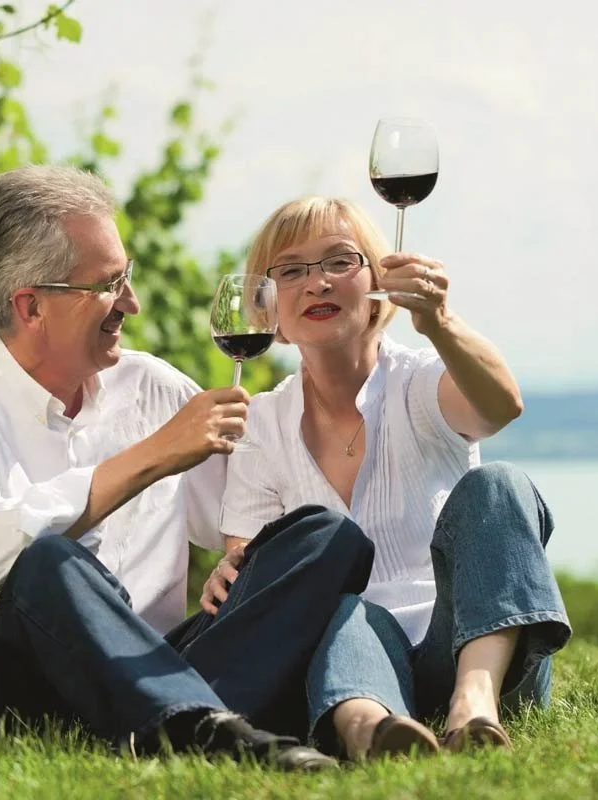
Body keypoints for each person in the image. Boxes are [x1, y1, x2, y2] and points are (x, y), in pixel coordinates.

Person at [0, 167, 375, 771]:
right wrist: (152, 457)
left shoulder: (150, 385)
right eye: (109, 283)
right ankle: (205, 727)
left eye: (126, 277)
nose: (132, 301)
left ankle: (189, 723)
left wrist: (243, 557)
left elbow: (254, 513)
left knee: (324, 537)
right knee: (48, 560)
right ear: (31, 306)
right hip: (8, 699)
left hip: (155, 667)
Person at [205, 196, 571, 760]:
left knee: (499, 485)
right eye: (292, 270)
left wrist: (440, 322)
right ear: (267, 300)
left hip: (477, 651)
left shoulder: (418, 383)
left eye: (338, 262)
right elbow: (257, 564)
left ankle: (473, 705)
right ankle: (369, 729)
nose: (317, 284)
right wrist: (231, 573)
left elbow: (501, 407)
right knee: (345, 606)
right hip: (352, 655)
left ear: (378, 278)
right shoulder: (263, 425)